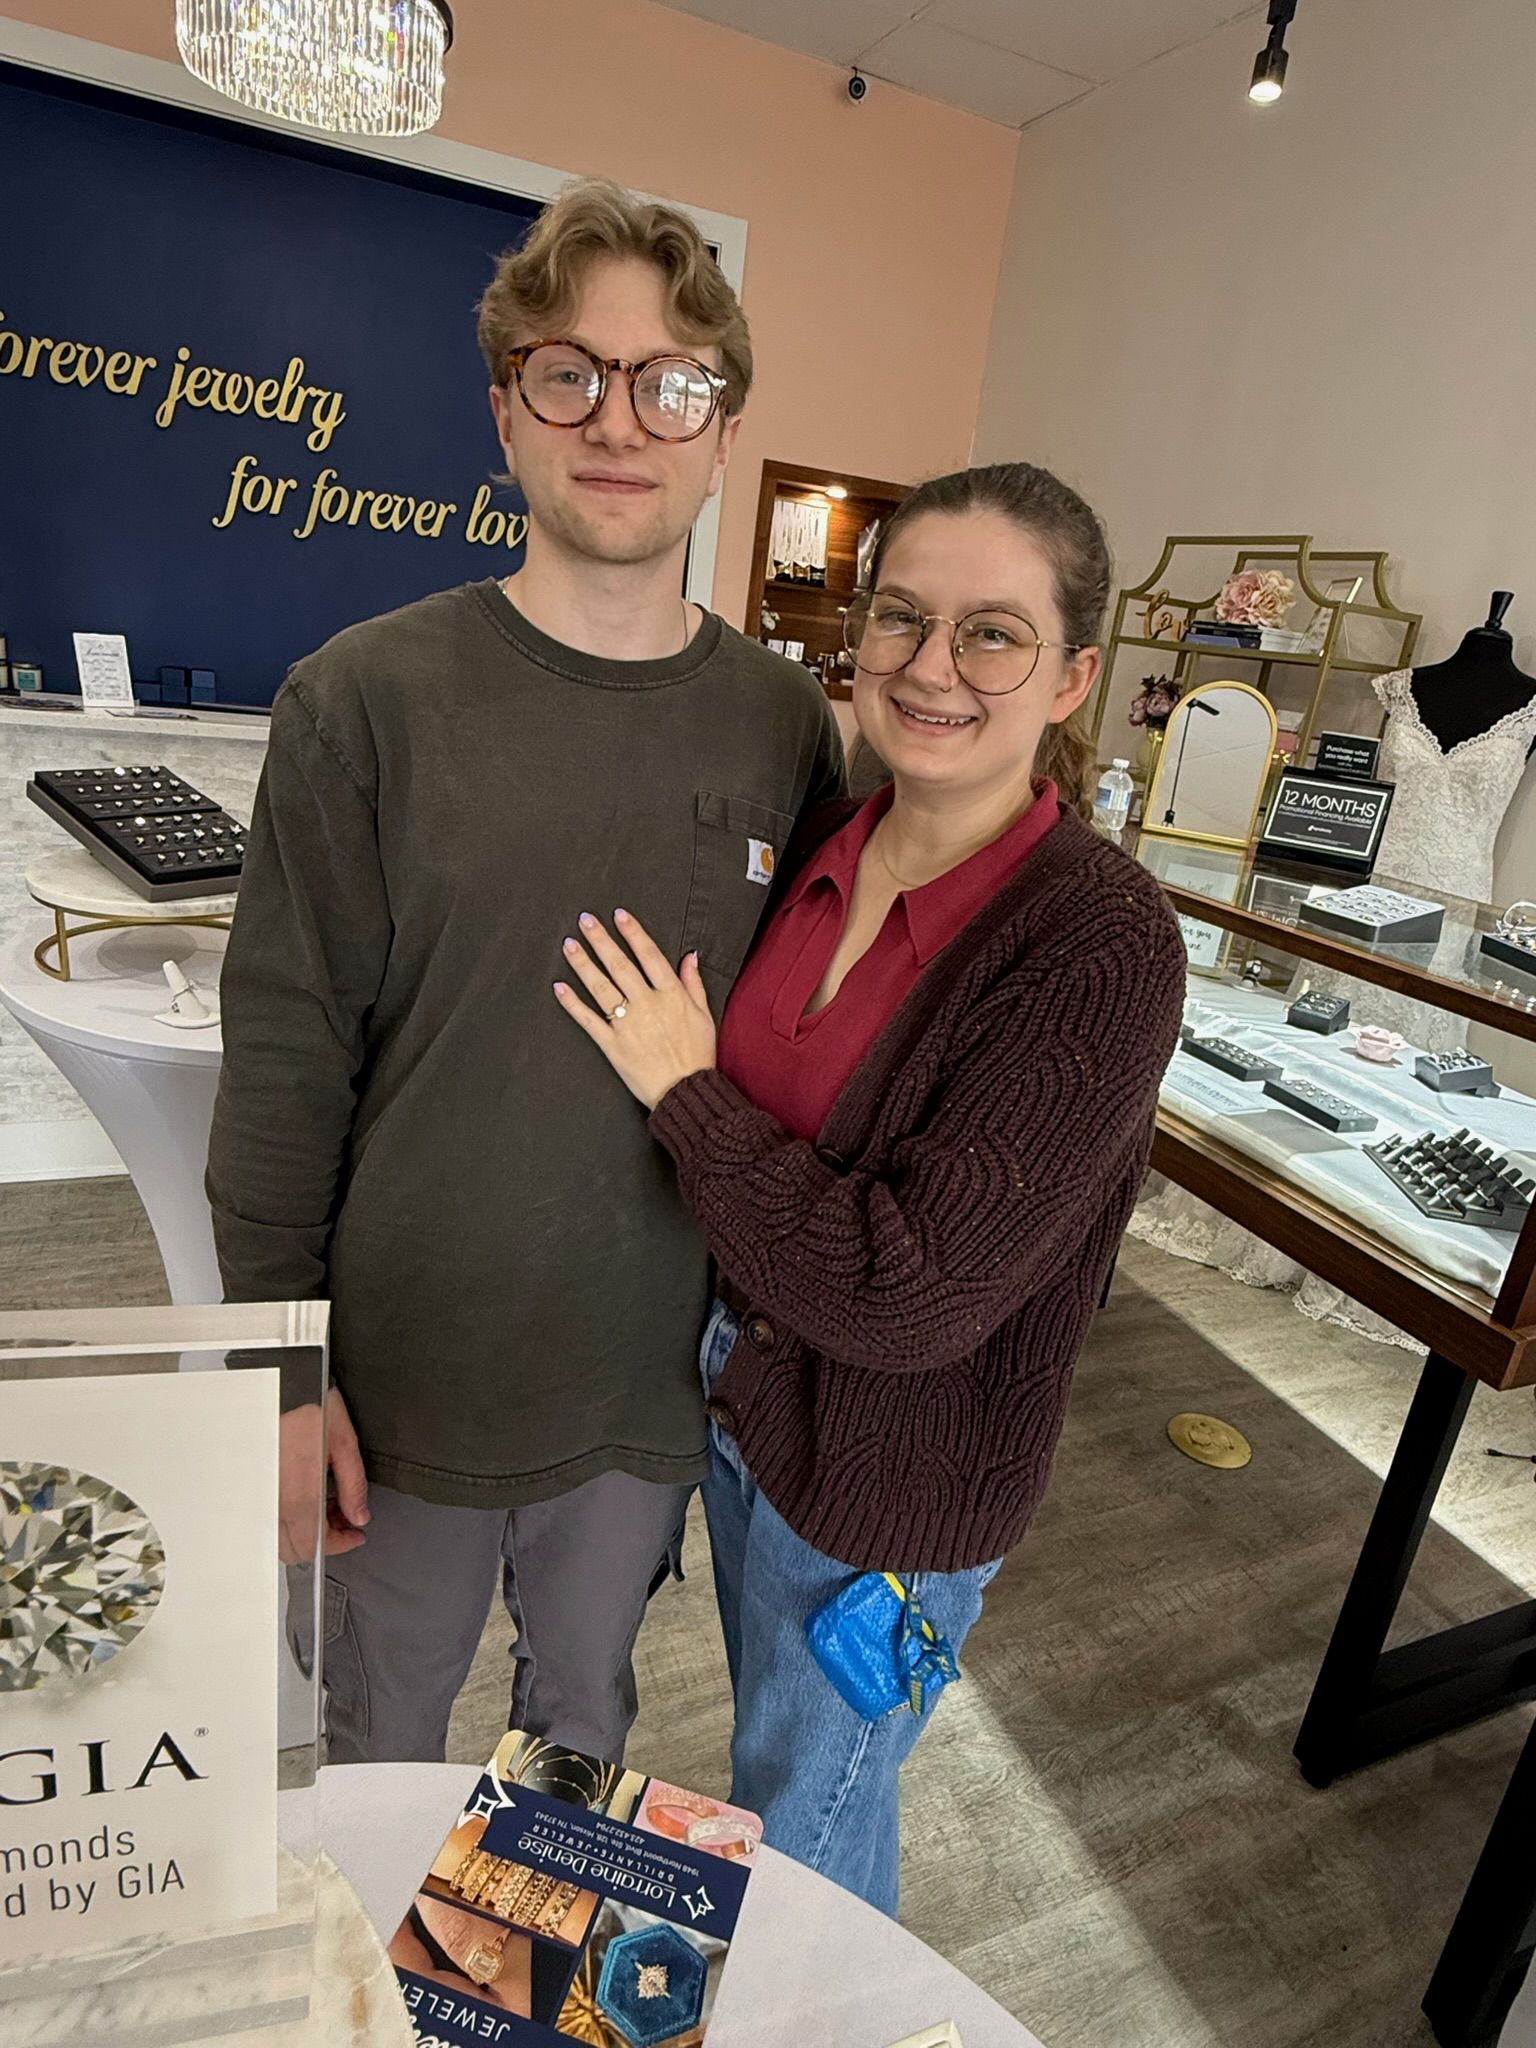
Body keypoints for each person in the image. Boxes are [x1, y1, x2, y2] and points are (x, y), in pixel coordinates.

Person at [206, 179, 844, 1767]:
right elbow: (286, 1062)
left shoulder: (783, 730)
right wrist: (281, 1377)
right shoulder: (362, 701)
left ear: (719, 424)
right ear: (507, 411)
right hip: (403, 1390)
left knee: (576, 1749)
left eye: (669, 382)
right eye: (570, 372)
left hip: (642, 1393)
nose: (618, 419)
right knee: (378, 1751)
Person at [554, 461, 1186, 1913]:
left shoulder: (1102, 944)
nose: (932, 667)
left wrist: (684, 1090)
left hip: (893, 1491)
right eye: (903, 618)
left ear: (1075, 674)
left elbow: (908, 1294)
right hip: (743, 1411)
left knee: (806, 1853)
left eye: (992, 634)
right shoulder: (826, 838)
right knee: (779, 1771)